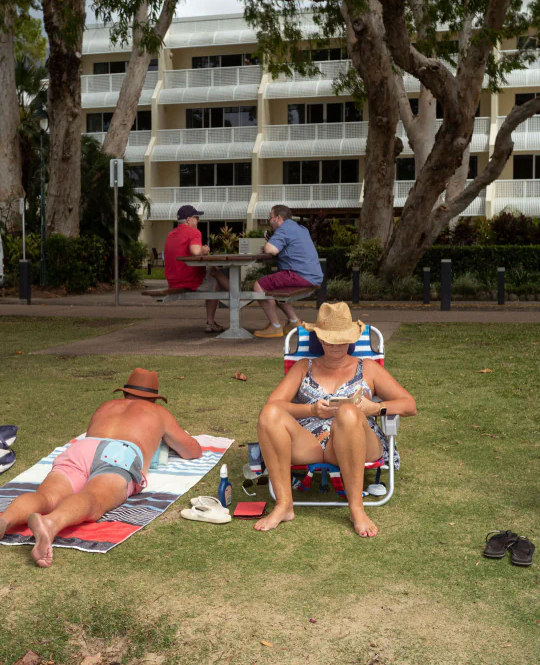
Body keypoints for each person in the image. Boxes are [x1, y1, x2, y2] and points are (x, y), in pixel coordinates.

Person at [0, 369, 202, 567]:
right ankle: (51, 524)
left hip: (83, 447)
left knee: (46, 496)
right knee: (92, 499)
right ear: (154, 398)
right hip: (120, 454)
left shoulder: (106, 406)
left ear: (125, 393)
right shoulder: (158, 412)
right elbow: (192, 451)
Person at [254, 302, 417, 537]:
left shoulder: (368, 368)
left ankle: (356, 510)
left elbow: (409, 405)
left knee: (348, 413)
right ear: (319, 338)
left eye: (342, 338)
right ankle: (284, 505)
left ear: (351, 338)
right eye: (330, 338)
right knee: (268, 414)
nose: (337, 345)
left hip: (357, 439)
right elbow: (274, 405)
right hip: (309, 443)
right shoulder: (303, 367)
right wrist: (311, 410)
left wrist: (374, 408)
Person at [252, 205, 324, 338]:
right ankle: (293, 321)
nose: (269, 221)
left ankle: (275, 326)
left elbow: (270, 249)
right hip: (313, 275)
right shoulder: (300, 228)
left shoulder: (284, 228)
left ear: (278, 218)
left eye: (270, 218)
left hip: (300, 274)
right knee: (278, 287)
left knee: (258, 286)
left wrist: (269, 245)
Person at [163, 205, 231, 333]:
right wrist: (204, 250)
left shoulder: (170, 234)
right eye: (196, 217)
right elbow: (195, 251)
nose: (198, 221)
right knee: (214, 276)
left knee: (211, 270)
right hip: (189, 280)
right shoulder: (194, 232)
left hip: (172, 280)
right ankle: (237, 296)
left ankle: (237, 295)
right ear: (188, 219)